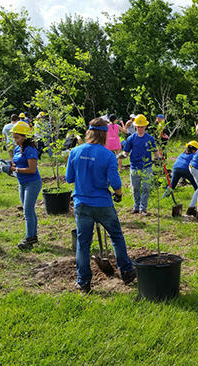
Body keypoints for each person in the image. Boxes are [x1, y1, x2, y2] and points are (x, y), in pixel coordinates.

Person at [66, 117, 136, 293]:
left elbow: (69, 178)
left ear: (89, 132)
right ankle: (127, 271)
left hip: (82, 203)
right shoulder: (107, 155)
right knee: (116, 236)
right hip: (103, 204)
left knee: (83, 244)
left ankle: (83, 282)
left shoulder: (75, 152)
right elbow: (116, 183)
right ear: (105, 134)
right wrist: (118, 195)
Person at [9, 121, 42, 250]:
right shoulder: (18, 148)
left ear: (25, 136)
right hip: (22, 182)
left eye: (17, 137)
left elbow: (32, 169)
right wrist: (10, 167)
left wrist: (16, 170)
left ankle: (29, 238)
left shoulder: (30, 149)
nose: (15, 140)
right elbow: (17, 164)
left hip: (32, 183)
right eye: (14, 137)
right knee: (28, 210)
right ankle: (33, 236)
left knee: (28, 210)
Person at [119, 114, 161, 216]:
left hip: (147, 167)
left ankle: (143, 209)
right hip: (134, 167)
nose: (140, 128)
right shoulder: (131, 139)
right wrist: (120, 156)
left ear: (145, 126)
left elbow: (155, 152)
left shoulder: (150, 138)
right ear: (135, 127)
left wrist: (158, 158)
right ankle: (136, 207)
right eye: (138, 126)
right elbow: (126, 152)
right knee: (135, 188)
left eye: (142, 126)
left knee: (146, 188)